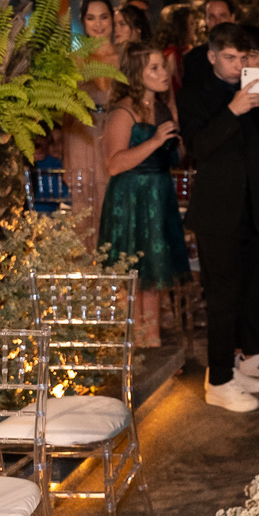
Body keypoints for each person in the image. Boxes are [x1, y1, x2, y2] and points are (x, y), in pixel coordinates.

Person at [178, 23, 259, 412]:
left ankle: (244, 361)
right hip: (218, 213)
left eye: (243, 58)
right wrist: (234, 110)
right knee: (222, 298)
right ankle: (217, 379)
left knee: (251, 292)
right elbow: (199, 148)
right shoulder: (194, 94)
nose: (238, 65)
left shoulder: (252, 90)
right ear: (212, 56)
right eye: (230, 57)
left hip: (254, 209)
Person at [98, 43, 191, 348]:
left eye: (163, 66)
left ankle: (152, 341)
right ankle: (135, 346)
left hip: (158, 193)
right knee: (135, 277)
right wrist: (154, 142)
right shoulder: (123, 111)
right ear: (136, 74)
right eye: (155, 68)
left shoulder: (162, 108)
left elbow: (174, 155)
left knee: (155, 274)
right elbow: (113, 163)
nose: (163, 73)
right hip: (132, 198)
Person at [63, 0, 119, 247]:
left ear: (113, 19)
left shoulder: (125, 57)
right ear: (83, 22)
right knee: (83, 205)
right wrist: (65, 153)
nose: (98, 24)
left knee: (113, 200)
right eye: (91, 18)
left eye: (103, 17)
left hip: (117, 133)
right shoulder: (74, 60)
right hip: (82, 134)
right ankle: (87, 276)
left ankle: (118, 275)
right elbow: (64, 107)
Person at [184, 0, 237, 91]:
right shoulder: (193, 58)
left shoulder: (246, 52)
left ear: (232, 18)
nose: (217, 22)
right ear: (205, 20)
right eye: (212, 17)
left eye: (222, 16)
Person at [155, 3, 195, 95]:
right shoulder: (171, 55)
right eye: (191, 23)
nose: (194, 27)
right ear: (181, 28)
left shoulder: (187, 50)